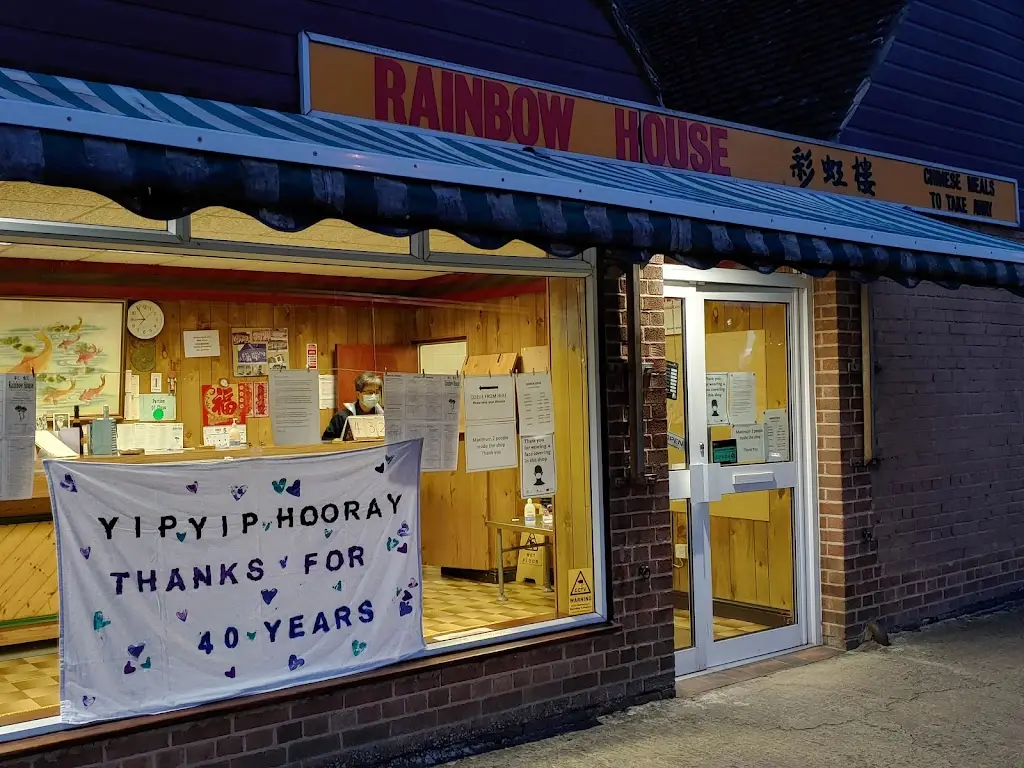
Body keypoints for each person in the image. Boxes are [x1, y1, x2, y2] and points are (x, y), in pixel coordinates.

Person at [322, 371, 383, 441]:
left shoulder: (384, 415)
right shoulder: (342, 417)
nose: (374, 396)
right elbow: (326, 440)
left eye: (377, 392)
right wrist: (335, 441)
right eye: (370, 392)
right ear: (358, 395)